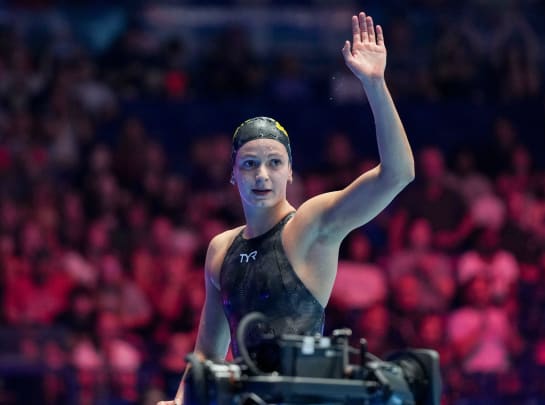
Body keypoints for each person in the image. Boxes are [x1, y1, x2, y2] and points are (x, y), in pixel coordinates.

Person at [158, 11, 415, 405]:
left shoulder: (309, 225)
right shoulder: (220, 249)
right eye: (249, 164)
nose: (262, 175)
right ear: (232, 176)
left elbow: (398, 174)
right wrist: (177, 404)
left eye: (274, 163)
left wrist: (375, 85)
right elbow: (207, 357)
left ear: (290, 172)